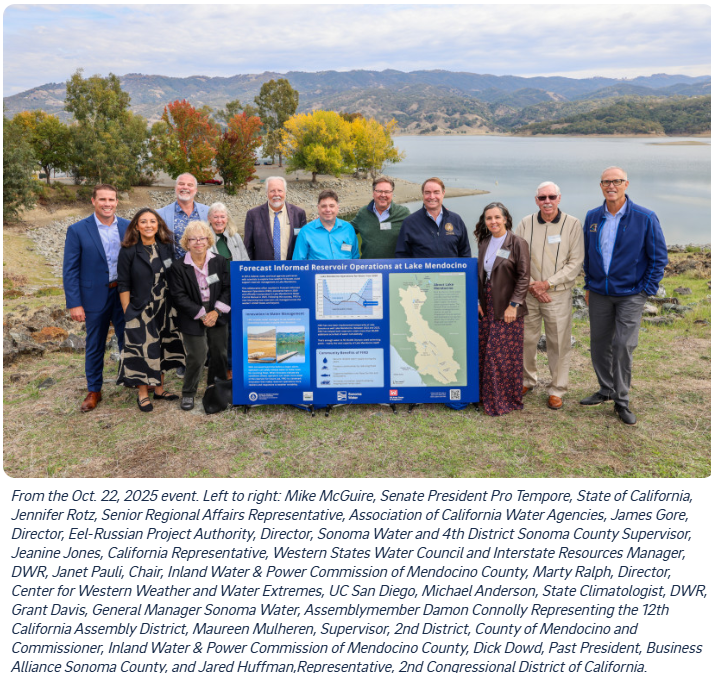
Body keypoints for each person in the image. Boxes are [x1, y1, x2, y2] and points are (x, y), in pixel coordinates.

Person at [580, 166, 667, 425]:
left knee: (623, 346)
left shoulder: (645, 217)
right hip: (599, 293)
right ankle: (605, 388)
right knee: (599, 344)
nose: (611, 186)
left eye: (616, 181)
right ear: (601, 185)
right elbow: (588, 254)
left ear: (626, 184)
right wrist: (588, 284)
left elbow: (659, 257)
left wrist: (645, 291)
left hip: (631, 294)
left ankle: (622, 400)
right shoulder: (593, 216)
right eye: (606, 182)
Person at [514, 181, 584, 410]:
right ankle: (527, 380)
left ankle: (557, 389)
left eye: (551, 197)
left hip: (558, 295)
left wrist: (548, 284)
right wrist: (534, 285)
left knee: (559, 342)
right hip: (529, 293)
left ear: (559, 199)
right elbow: (516, 257)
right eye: (542, 198)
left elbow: (575, 262)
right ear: (536, 200)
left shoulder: (572, 225)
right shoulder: (525, 223)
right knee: (526, 339)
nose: (547, 201)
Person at [62, 184, 129, 412]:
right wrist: (75, 303)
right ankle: (94, 390)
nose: (107, 203)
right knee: (95, 344)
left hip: (123, 293)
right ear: (93, 201)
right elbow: (69, 270)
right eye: (102, 199)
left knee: (129, 338)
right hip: (93, 296)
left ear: (117, 202)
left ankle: (134, 378)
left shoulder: (128, 227)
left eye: (111, 199)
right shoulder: (78, 230)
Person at [116, 208, 184, 411]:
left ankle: (160, 389)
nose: (148, 225)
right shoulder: (128, 250)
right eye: (143, 222)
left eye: (152, 221)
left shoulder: (165, 247)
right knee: (142, 350)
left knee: (162, 346)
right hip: (141, 309)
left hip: (165, 307)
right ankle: (143, 393)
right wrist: (128, 310)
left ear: (158, 225)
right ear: (136, 226)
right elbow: (123, 283)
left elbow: (172, 273)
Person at [168, 221, 231, 412]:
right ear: (186, 243)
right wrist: (203, 314)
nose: (198, 242)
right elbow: (178, 296)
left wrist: (216, 312)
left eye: (202, 238)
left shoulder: (220, 261)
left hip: (217, 312)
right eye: (193, 239)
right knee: (197, 355)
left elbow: (228, 288)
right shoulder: (178, 267)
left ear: (208, 240)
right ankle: (188, 393)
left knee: (219, 353)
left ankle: (216, 390)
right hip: (192, 313)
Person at [476, 202, 530, 417]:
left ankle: (504, 400)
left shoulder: (517, 242)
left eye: (497, 217)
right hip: (487, 303)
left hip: (508, 306)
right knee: (485, 350)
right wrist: (478, 301)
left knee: (501, 355)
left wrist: (514, 305)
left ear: (506, 218)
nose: (493, 222)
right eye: (489, 218)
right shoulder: (484, 242)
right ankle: (485, 396)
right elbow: (481, 275)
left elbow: (524, 277)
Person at [207, 202, 249, 379]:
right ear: (209, 219)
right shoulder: (204, 238)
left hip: (235, 290)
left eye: (222, 216)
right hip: (214, 292)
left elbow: (245, 261)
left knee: (232, 329)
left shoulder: (234, 237)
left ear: (227, 219)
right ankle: (215, 365)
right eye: (215, 216)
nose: (219, 220)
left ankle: (230, 367)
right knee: (216, 330)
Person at [395, 177, 471, 258]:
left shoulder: (456, 220)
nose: (432, 196)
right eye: (427, 192)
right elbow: (401, 256)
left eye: (436, 192)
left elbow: (465, 253)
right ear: (423, 194)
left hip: (451, 271)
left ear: (443, 193)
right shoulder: (409, 222)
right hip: (421, 271)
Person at [244, 176, 307, 261]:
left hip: (291, 270)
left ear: (285, 192)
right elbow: (248, 247)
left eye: (280, 190)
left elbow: (304, 244)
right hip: (263, 271)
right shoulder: (253, 215)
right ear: (266, 193)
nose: (276, 194)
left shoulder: (299, 214)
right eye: (272, 191)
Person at [351, 176, 410, 258]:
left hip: (394, 268)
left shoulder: (403, 213)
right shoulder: (363, 213)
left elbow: (417, 235)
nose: (383, 195)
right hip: (369, 268)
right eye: (379, 191)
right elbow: (346, 230)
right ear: (373, 193)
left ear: (392, 193)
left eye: (387, 192)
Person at [292, 190, 359, 261]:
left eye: (331, 206)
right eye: (324, 206)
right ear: (318, 208)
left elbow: (355, 258)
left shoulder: (348, 229)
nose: (328, 210)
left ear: (337, 207)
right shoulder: (306, 232)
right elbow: (298, 263)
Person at [156, 173, 210, 258]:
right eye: (181, 184)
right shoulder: (160, 214)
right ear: (175, 187)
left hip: (203, 267)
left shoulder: (208, 212)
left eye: (190, 185)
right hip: (175, 268)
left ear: (196, 190)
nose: (185, 187)